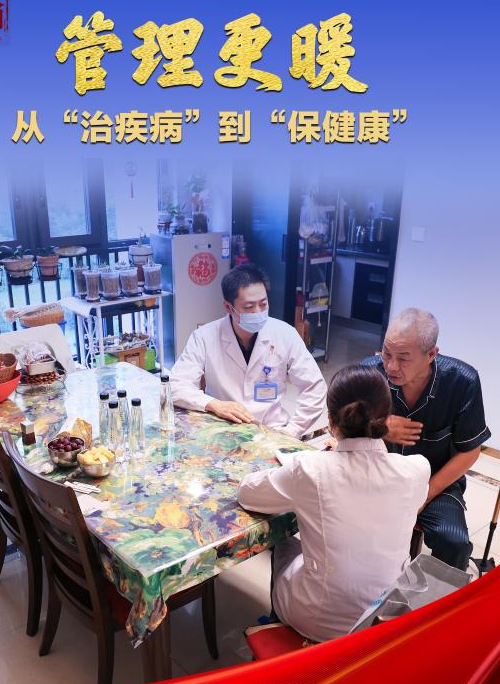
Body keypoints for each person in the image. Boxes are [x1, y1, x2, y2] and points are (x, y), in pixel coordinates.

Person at [238, 365, 430, 642]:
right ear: (387, 419)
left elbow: (247, 494)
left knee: (285, 544)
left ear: (330, 420)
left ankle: (277, 621)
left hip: (320, 621)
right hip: (384, 618)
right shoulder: (416, 469)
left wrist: (304, 467)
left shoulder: (309, 470)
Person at [362, 308, 490, 570]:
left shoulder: (462, 382)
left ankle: (442, 597)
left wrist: (426, 493)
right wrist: (377, 427)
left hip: (435, 481)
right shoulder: (368, 373)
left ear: (432, 354)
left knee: (453, 541)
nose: (391, 366)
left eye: (403, 358)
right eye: (386, 353)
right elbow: (338, 424)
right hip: (375, 474)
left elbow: (470, 450)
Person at [170, 263, 327, 438]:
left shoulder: (285, 334)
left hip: (272, 429)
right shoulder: (204, 337)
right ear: (228, 307)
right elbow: (174, 387)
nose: (258, 312)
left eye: (263, 304)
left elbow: (315, 387)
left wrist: (293, 430)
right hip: (222, 430)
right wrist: (213, 404)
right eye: (249, 307)